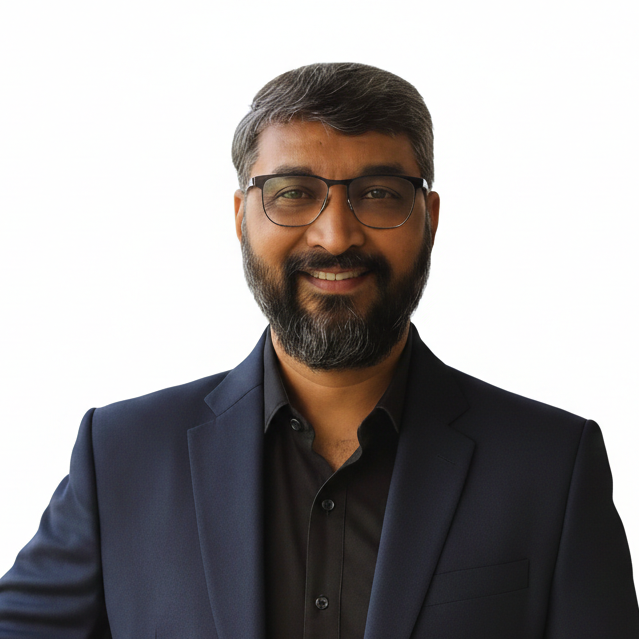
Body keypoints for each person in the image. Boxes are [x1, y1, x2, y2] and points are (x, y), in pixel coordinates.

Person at [0, 61, 637, 639]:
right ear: (241, 217)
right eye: (293, 193)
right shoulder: (122, 455)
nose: (335, 237)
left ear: (430, 218)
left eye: (379, 193)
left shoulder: (553, 466)